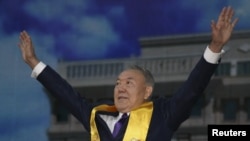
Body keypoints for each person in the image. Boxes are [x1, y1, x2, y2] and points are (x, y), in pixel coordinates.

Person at [18, 6, 238, 141]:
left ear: (147, 91)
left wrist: (215, 47)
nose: (120, 87)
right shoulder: (99, 116)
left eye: (129, 82)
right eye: (118, 83)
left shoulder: (163, 115)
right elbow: (65, 94)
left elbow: (193, 88)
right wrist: (34, 62)